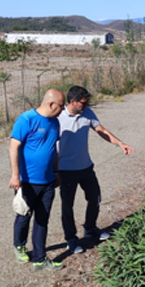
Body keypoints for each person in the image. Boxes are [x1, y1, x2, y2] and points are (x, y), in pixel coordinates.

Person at [57, 85, 134, 254]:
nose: (86, 106)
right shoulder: (58, 117)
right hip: (66, 170)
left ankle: (90, 228)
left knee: (95, 198)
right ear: (72, 102)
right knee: (67, 206)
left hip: (85, 166)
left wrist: (120, 143)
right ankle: (71, 238)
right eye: (83, 103)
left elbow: (101, 130)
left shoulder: (87, 113)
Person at [9, 89, 65, 271]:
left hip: (48, 181)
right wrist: (15, 176)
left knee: (42, 219)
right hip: (27, 181)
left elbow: (53, 148)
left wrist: (56, 172)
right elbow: (13, 148)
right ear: (51, 104)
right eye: (61, 106)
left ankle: (40, 258)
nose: (63, 110)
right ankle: (19, 246)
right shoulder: (26, 119)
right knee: (24, 215)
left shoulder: (55, 122)